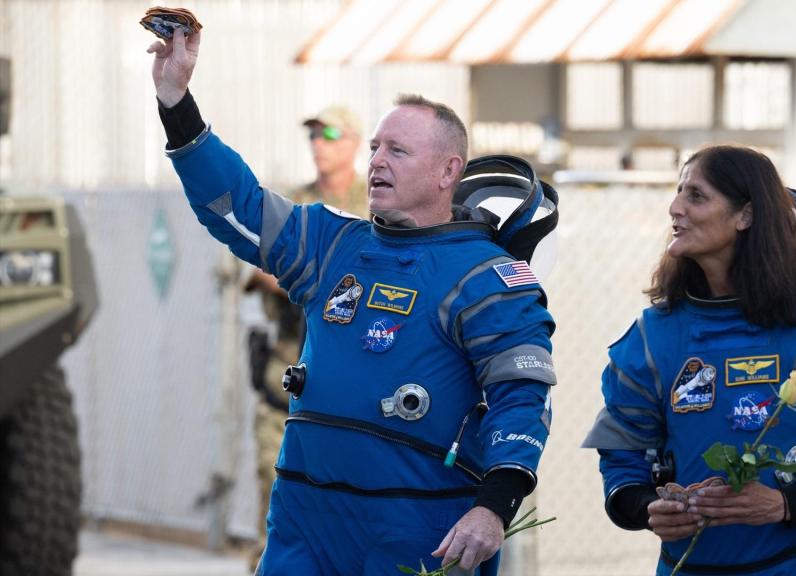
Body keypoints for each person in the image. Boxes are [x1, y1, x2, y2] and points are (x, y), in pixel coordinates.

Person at [147, 29, 556, 575]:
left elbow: (521, 396)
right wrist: (176, 102)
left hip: (421, 528)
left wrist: (493, 508)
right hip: (304, 523)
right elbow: (235, 204)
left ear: (448, 172)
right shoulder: (331, 242)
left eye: (398, 151)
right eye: (375, 149)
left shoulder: (488, 276)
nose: (377, 162)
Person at [582, 145, 796, 575]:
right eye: (678, 193)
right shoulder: (653, 336)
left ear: (746, 215)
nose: (675, 208)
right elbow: (623, 458)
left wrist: (787, 504)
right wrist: (650, 507)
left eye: (696, 196)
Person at [243, 103, 367, 570]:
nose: (319, 144)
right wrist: (312, 278)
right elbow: (258, 266)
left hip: (355, 388)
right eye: (313, 135)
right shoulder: (295, 205)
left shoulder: (376, 203)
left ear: (354, 142)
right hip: (289, 379)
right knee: (275, 502)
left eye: (330, 134)